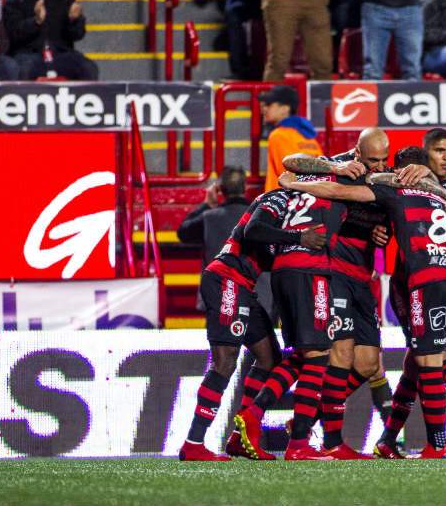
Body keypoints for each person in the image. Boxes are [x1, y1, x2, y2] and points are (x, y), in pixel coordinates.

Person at [279, 146, 446, 459]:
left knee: (428, 361)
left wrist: (294, 185)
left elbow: (335, 191)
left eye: (387, 162)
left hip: (422, 280)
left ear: (400, 169)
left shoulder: (394, 187)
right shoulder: (442, 193)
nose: (382, 166)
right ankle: (391, 438)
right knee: (420, 361)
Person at [282, 129, 430, 458]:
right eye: (371, 159)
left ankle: (306, 421)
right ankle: (332, 442)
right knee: (339, 356)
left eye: (383, 159)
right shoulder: (338, 165)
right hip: (334, 272)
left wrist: (382, 230)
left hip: (365, 278)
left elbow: (411, 209)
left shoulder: (392, 178)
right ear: (357, 153)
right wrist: (332, 169)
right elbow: (289, 164)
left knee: (365, 365)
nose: (378, 165)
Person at [178, 189, 322, 460]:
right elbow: (252, 230)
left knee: (270, 357)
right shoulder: (280, 198)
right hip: (227, 279)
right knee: (225, 361)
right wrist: (299, 238)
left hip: (244, 286)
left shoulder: (293, 216)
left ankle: (239, 438)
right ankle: (193, 443)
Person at [375, 129, 446, 460]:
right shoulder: (397, 182)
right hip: (410, 282)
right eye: (439, 150)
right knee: (431, 360)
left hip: (443, 280)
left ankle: (393, 438)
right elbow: (380, 215)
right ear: (425, 156)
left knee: (423, 363)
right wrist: (377, 230)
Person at [235, 173, 349, 461]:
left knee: (305, 354)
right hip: (309, 270)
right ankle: (294, 441)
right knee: (319, 354)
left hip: (282, 271)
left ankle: (262, 418)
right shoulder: (338, 184)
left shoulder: (292, 193)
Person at [2, 0, 98, 80]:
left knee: (89, 68)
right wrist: (35, 21)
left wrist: (74, 20)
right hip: (28, 54)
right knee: (22, 70)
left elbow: (78, 34)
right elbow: (11, 34)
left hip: (61, 54)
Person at [177, 167, 253, 311]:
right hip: (257, 301)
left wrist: (207, 204)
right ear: (245, 187)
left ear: (219, 189)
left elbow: (182, 232)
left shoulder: (209, 218)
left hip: (219, 302)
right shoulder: (261, 217)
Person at [261, 84, 323, 192]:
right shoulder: (309, 135)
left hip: (282, 201)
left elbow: (287, 176)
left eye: (269, 104)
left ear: (285, 109)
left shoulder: (278, 135)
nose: (264, 108)